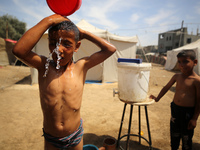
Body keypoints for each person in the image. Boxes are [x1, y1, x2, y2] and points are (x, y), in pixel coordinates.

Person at [12, 14, 116, 150]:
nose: (58, 50)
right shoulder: (44, 66)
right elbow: (18, 50)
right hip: (51, 139)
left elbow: (110, 49)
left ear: (77, 46)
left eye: (66, 44)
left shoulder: (81, 67)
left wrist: (83, 33)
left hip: (75, 136)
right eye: (53, 42)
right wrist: (49, 21)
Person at [150, 50, 200, 150]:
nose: (181, 65)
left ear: (195, 62)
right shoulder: (177, 76)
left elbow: (199, 100)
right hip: (175, 109)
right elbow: (166, 87)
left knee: (186, 138)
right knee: (174, 134)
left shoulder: (197, 80)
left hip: (188, 113)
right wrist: (158, 98)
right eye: (179, 62)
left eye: (185, 61)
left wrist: (194, 118)